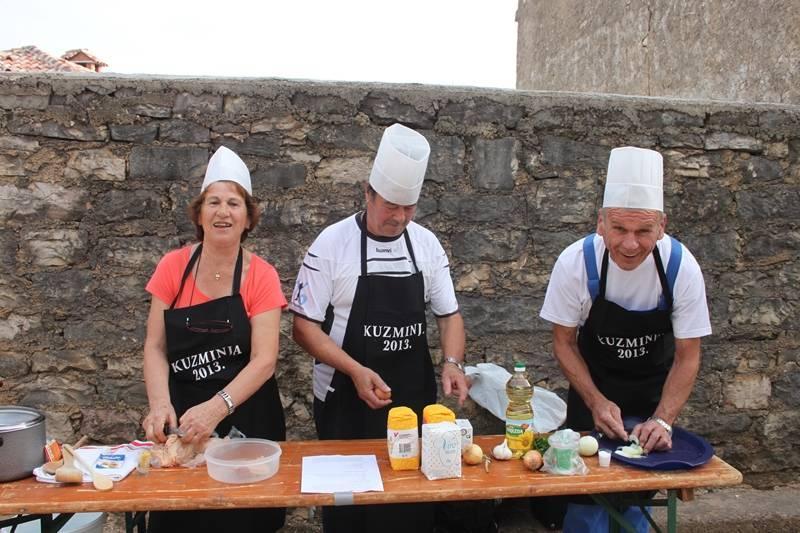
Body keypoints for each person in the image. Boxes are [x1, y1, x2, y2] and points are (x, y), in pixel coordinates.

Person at [290, 123, 470, 533]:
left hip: (412, 397)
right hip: (343, 399)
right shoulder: (331, 244)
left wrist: (453, 362)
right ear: (368, 193)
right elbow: (303, 327)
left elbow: (449, 315)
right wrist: (355, 370)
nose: (400, 217)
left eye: (409, 207)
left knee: (409, 508)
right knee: (349, 509)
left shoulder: (426, 245)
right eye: (391, 206)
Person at [539, 146, 712, 532]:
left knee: (638, 504)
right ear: (600, 222)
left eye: (643, 231)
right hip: (591, 392)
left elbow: (688, 355)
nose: (630, 245)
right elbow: (564, 342)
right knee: (585, 501)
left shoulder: (681, 267)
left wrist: (664, 420)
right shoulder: (575, 263)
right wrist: (596, 401)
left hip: (651, 396)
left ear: (662, 226)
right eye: (619, 229)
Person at [141, 146, 286, 532]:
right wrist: (159, 405)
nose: (223, 212)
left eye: (234, 203)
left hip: (249, 424)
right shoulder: (172, 267)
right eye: (214, 202)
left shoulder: (262, 275)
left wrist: (216, 409)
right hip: (185, 428)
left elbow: (264, 360)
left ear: (248, 218)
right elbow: (155, 346)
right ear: (199, 214)